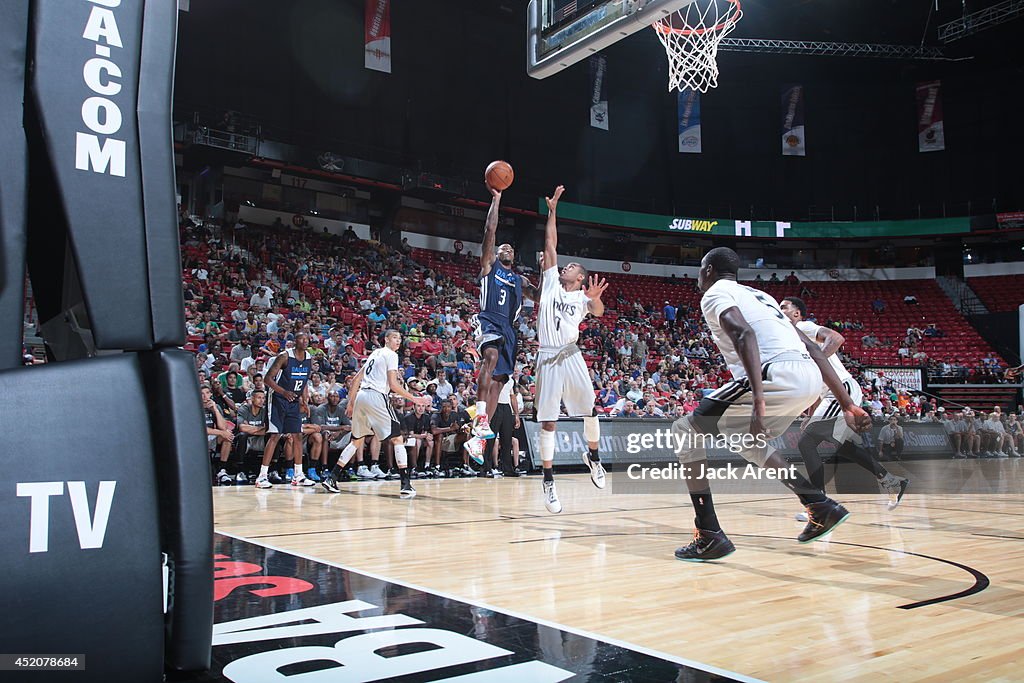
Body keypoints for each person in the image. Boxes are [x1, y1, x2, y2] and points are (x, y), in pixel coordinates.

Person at [671, 247, 870, 561]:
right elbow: (815, 350)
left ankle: (708, 533)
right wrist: (847, 403)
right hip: (807, 375)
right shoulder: (760, 296)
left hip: (775, 373)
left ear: (708, 270)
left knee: (684, 430)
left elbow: (744, 333)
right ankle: (818, 504)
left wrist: (758, 398)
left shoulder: (715, 293)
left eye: (699, 269)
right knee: (748, 442)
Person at [781, 297, 909, 512]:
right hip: (830, 394)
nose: (780, 310)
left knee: (806, 442)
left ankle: (818, 503)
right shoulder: (789, 339)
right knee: (840, 445)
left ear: (797, 314)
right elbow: (817, 385)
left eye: (784, 307)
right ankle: (891, 481)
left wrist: (817, 362)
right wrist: (811, 415)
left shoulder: (803, 327)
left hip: (842, 390)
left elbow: (837, 338)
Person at [530, 185, 609, 514]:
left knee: (589, 410)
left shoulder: (582, 298)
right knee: (549, 422)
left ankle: (593, 456)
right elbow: (551, 243)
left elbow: (601, 313)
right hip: (547, 356)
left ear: (581, 278)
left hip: (571, 355)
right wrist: (552, 210)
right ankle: (548, 479)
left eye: (573, 267)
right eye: (566, 265)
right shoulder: (549, 281)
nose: (566, 267)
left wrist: (595, 298)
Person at [320, 330, 431, 498]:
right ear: (386, 339)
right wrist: (415, 399)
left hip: (362, 396)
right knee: (397, 438)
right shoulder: (391, 355)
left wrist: (351, 403)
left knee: (357, 440)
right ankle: (406, 484)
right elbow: (393, 385)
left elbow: (357, 378)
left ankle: (332, 478)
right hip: (376, 396)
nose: (398, 341)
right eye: (395, 337)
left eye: (400, 338)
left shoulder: (375, 354)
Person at [466, 182, 523, 460]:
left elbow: (544, 291)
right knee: (489, 355)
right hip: (489, 319)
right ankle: (479, 416)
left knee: (499, 382)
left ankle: (478, 437)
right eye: (503, 247)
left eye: (510, 247)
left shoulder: (521, 280)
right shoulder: (490, 266)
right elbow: (490, 231)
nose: (507, 248)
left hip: (510, 330)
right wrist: (496, 201)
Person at [257, 331, 316, 489]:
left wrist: (304, 399)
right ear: (295, 341)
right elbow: (267, 379)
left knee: (297, 435)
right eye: (301, 339)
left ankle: (298, 475)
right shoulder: (284, 356)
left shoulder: (309, 358)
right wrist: (283, 392)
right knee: (275, 435)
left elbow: (303, 381)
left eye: (307, 338)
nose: (304, 341)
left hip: (294, 401)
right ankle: (261, 476)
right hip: (278, 399)